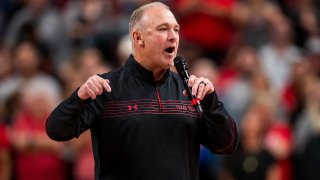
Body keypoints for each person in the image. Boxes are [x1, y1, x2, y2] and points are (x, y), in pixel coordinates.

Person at [46, 2, 238, 179]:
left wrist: (211, 101)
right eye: (163, 29)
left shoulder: (189, 90)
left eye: (176, 30)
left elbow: (226, 145)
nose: (173, 36)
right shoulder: (106, 87)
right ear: (138, 38)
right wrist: (79, 98)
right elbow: (57, 131)